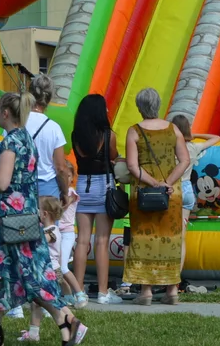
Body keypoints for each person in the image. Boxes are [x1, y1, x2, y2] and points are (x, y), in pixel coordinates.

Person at [0, 91, 86, 346]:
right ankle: (62, 321)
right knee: (19, 274)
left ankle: (63, 318)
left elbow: (2, 182)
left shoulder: (11, 142)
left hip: (9, 221)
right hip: (24, 216)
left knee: (19, 274)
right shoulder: (25, 137)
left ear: (5, 113)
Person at [124, 88, 191, 305]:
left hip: (144, 195)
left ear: (139, 107)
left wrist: (154, 183)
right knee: (171, 240)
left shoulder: (134, 132)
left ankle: (146, 292)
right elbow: (184, 160)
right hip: (171, 195)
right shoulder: (173, 129)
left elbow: (132, 166)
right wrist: (168, 183)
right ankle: (172, 291)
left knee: (145, 240)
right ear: (159, 104)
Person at [70, 93, 123, 305]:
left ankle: (79, 290)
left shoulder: (76, 135)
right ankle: (103, 292)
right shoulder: (108, 135)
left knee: (82, 240)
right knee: (102, 240)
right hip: (104, 186)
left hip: (83, 184)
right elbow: (113, 156)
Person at [18, 196, 88, 342]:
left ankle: (76, 324)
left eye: (38, 210)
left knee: (53, 303)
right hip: (46, 272)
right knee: (37, 302)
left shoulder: (52, 231)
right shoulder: (48, 229)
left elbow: (41, 239)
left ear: (45, 214)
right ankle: (33, 333)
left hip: (50, 272)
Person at [169, 113, 220, 269]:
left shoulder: (168, 149)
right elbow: (216, 137)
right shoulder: (193, 147)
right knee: (181, 237)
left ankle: (166, 274)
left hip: (173, 189)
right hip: (187, 191)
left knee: (168, 235)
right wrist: (194, 135)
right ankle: (177, 277)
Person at [26, 75, 69, 202]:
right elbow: (60, 167)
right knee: (49, 222)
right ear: (49, 97)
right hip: (47, 187)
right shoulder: (54, 128)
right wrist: (65, 193)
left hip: (21, 185)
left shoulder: (17, 123)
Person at [57, 185, 85, 308]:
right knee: (54, 266)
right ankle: (68, 296)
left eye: (69, 176)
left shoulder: (71, 192)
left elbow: (63, 206)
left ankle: (80, 294)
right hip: (55, 232)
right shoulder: (54, 190)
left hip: (67, 233)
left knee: (62, 267)